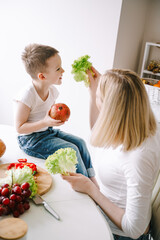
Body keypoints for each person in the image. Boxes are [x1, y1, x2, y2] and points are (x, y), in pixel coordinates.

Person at [62, 67, 160, 240]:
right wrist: (94, 94)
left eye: (101, 98)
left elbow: (135, 228)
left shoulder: (138, 157)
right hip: (103, 218)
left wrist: (91, 189)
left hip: (119, 235)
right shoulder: (137, 125)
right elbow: (98, 132)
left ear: (112, 108)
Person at [13, 43, 98, 186]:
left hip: (47, 132)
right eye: (58, 69)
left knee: (80, 143)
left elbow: (48, 116)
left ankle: (91, 179)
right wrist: (45, 122)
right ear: (42, 76)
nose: (63, 70)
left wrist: (55, 120)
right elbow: (19, 128)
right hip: (30, 140)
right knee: (71, 150)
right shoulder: (27, 95)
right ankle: (87, 186)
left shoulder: (52, 91)